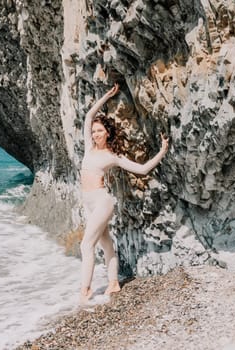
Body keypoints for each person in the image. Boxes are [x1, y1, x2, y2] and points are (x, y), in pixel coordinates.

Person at [80, 83, 169, 303]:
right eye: (94, 131)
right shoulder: (88, 147)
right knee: (106, 243)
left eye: (100, 130)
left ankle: (86, 290)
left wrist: (162, 151)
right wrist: (106, 97)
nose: (96, 133)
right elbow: (89, 116)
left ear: (108, 133)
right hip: (88, 202)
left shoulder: (112, 156)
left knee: (85, 245)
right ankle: (113, 283)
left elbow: (143, 169)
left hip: (102, 201)